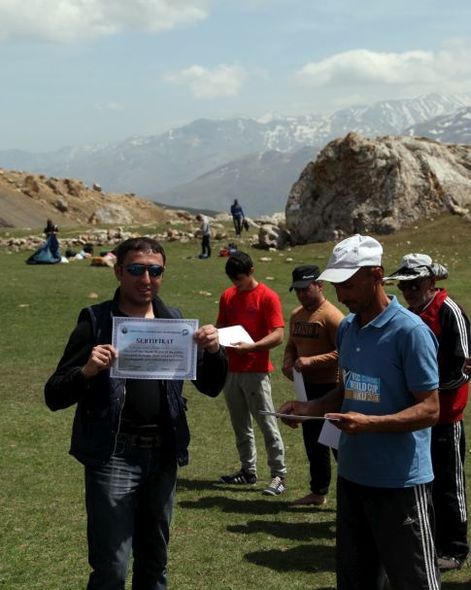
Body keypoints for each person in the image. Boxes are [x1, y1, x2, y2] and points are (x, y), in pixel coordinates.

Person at [44, 237, 228, 590]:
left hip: (163, 455)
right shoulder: (97, 321)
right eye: (136, 269)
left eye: (155, 271)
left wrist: (215, 352)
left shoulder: (174, 321)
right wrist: (86, 371)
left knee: (155, 565)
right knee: (112, 569)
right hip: (114, 455)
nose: (146, 279)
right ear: (118, 272)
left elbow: (211, 386)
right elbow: (54, 395)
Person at [279, 234, 441, 590]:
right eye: (337, 285)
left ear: (376, 275)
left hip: (400, 483)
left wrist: (371, 424)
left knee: (414, 581)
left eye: (349, 285)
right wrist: (310, 408)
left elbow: (431, 409)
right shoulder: (349, 329)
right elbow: (347, 390)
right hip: (353, 478)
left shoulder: (411, 332)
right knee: (356, 580)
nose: (341, 295)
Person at [386, 253, 470, 571]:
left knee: (449, 484)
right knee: (421, 480)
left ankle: (456, 548)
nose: (409, 290)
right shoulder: (411, 315)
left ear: (431, 281)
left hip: (446, 415)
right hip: (417, 415)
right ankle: (429, 539)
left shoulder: (448, 311)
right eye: (404, 285)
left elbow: (463, 367)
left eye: (415, 284)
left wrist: (427, 390)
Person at [216, 250, 287, 495]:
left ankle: (279, 475)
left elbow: (278, 334)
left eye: (240, 279)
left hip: (256, 371)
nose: (236, 284)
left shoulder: (267, 297)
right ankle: (248, 471)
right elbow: (221, 326)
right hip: (231, 370)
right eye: (233, 280)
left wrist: (253, 347)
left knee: (267, 423)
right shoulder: (228, 296)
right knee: (240, 424)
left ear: (251, 272)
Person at [282, 265, 344, 506]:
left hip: (331, 388)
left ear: (320, 285)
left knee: (337, 443)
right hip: (305, 388)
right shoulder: (296, 315)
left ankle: (353, 493)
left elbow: (344, 352)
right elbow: (291, 345)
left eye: (305, 289)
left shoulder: (333, 317)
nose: (301, 294)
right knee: (313, 443)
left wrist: (312, 361)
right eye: (297, 290)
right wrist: (288, 360)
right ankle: (318, 492)